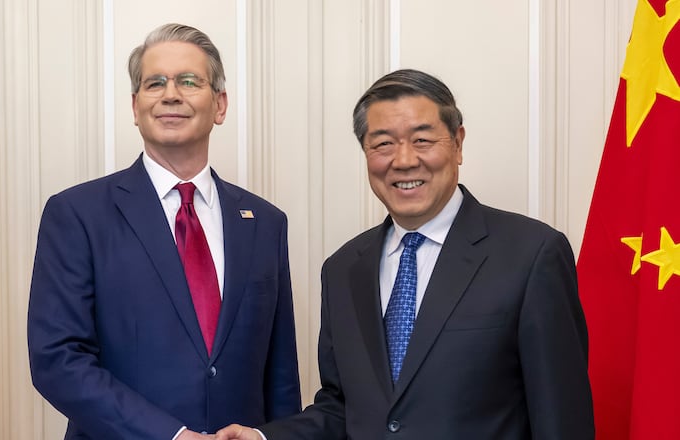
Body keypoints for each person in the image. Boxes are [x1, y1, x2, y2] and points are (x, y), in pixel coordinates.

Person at [217, 69, 594, 439]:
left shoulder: (531, 254)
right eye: (383, 144)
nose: (404, 160)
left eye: (423, 140)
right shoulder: (343, 268)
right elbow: (342, 408)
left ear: (458, 144)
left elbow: (561, 416)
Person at [27, 23, 301, 440]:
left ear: (220, 105)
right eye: (155, 83)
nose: (171, 94)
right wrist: (169, 435)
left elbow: (280, 374)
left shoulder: (264, 222)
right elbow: (57, 360)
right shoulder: (77, 214)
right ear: (136, 107)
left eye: (189, 81)